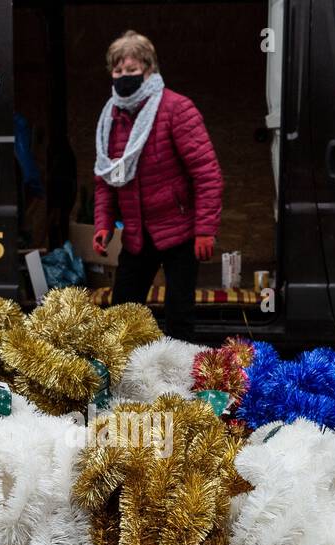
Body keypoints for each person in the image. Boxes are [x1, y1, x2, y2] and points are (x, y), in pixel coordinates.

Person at [93, 31, 222, 337]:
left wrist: (205, 229)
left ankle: (178, 380)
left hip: (180, 232)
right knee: (122, 314)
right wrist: (103, 224)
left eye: (132, 70)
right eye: (118, 71)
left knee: (179, 315)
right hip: (137, 234)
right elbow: (105, 178)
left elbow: (207, 173)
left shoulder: (176, 109)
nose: (124, 77)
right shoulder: (109, 118)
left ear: (150, 70)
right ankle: (125, 378)